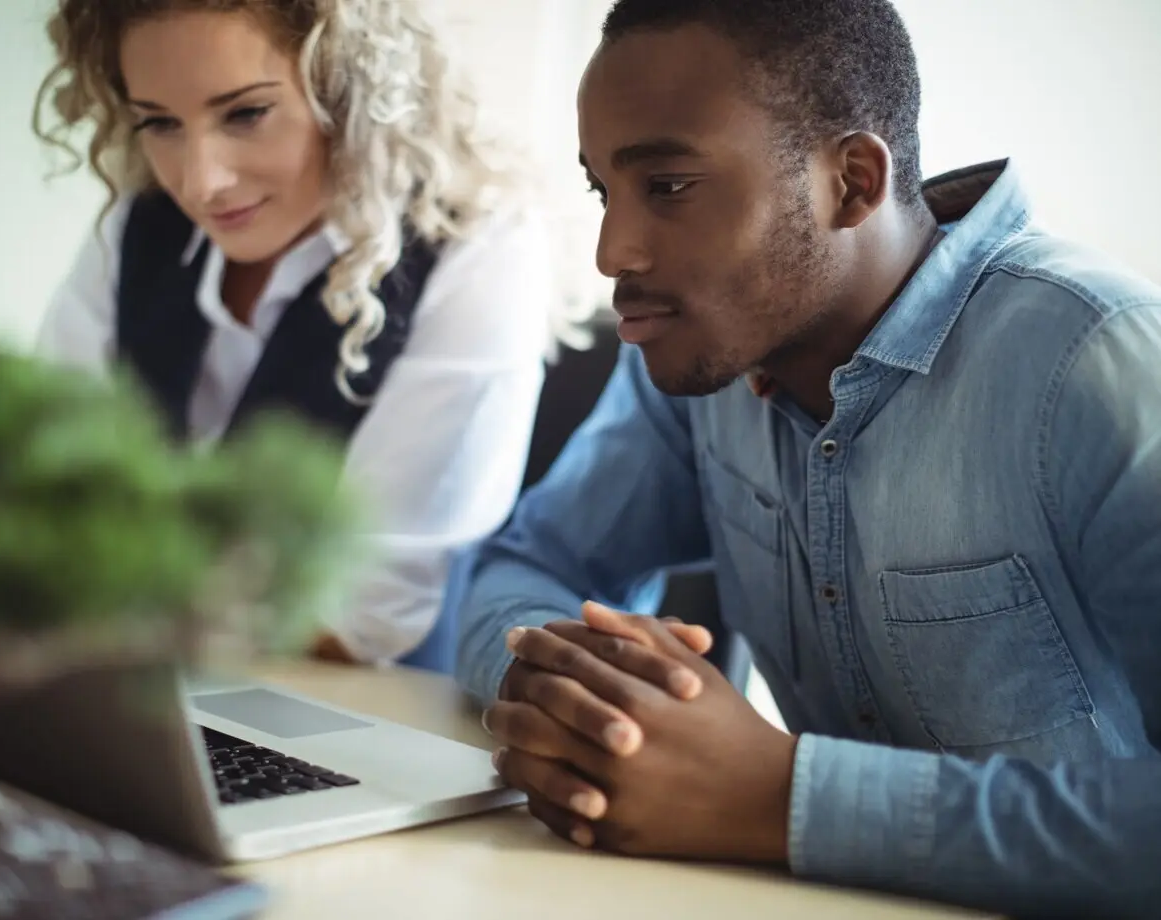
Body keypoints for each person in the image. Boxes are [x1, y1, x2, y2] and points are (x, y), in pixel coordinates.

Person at [455, 0, 1161, 916]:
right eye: (603, 191)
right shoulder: (704, 364)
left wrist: (783, 798)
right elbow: (524, 565)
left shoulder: (1101, 365)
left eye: (667, 186)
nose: (611, 250)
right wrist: (588, 696)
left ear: (852, 182)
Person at [30, 0, 565, 666]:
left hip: (365, 703)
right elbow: (37, 496)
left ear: (348, 89)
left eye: (246, 113)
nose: (201, 182)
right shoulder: (137, 226)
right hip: (130, 674)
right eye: (160, 123)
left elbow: (358, 614)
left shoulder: (474, 247)